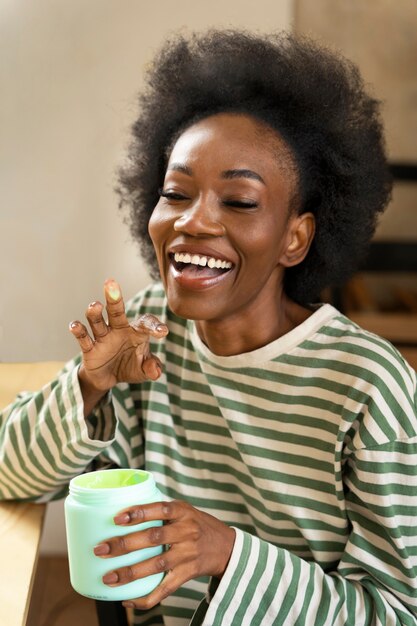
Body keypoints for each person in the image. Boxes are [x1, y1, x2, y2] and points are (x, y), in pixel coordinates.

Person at [1, 29, 416, 626]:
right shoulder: (147, 337)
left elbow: (398, 613)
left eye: (239, 202)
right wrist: (89, 389)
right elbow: (7, 468)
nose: (193, 222)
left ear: (295, 238)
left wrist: (229, 556)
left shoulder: (369, 386)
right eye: (176, 193)